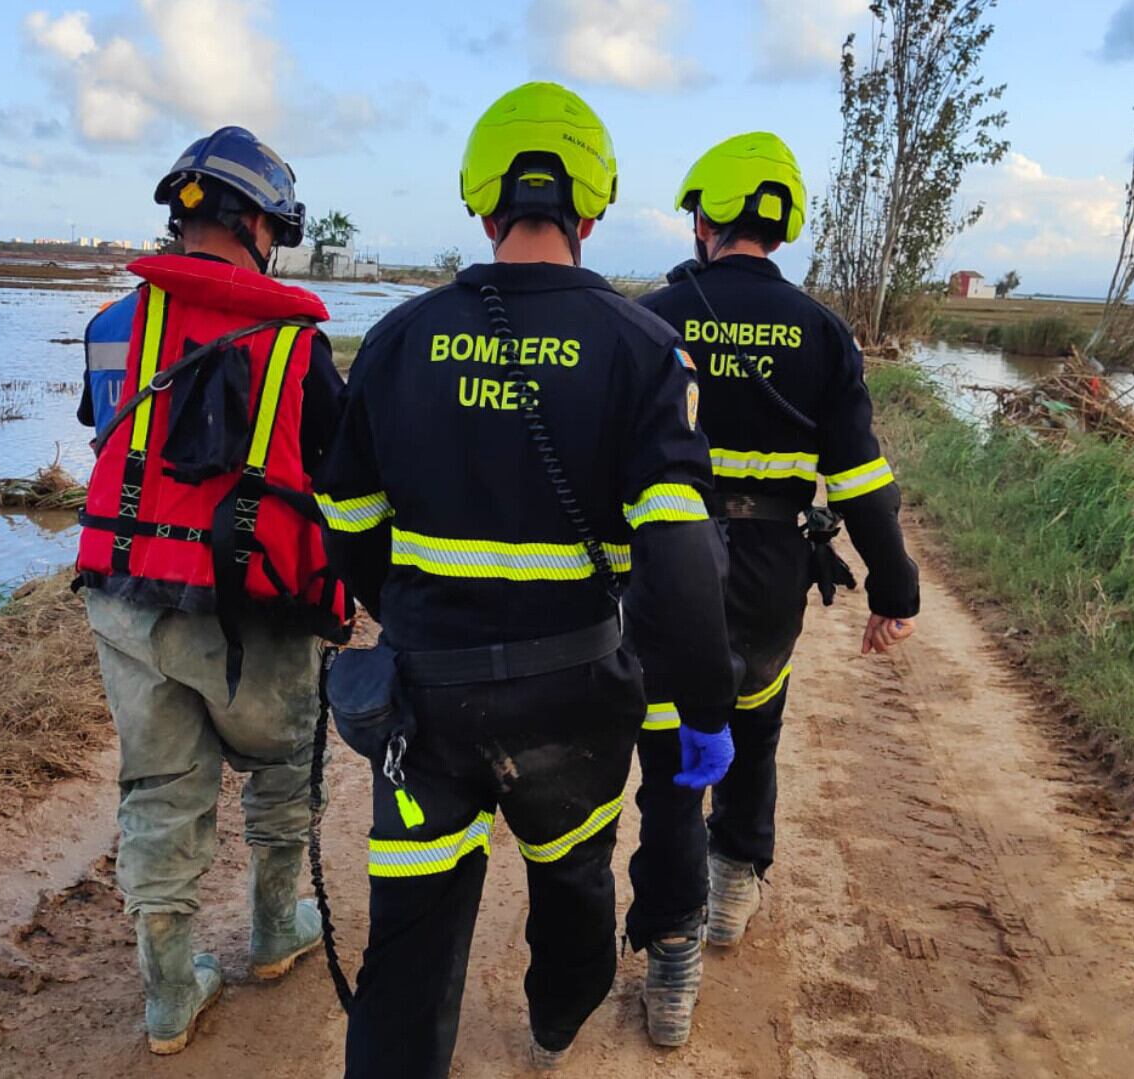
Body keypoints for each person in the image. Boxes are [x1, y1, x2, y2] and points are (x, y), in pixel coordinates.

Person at [315, 82, 737, 1076]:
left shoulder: (399, 339)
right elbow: (678, 555)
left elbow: (347, 524)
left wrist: (412, 614)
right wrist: (707, 703)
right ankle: (553, 1027)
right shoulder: (646, 349)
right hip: (577, 704)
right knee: (574, 885)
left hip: (426, 700)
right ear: (591, 207)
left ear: (482, 200)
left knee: (410, 930)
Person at [626, 131, 923, 1046]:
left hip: (662, 567)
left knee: (674, 747)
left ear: (704, 217)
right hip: (767, 572)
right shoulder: (823, 332)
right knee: (754, 718)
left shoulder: (651, 317)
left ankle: (672, 945)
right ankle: (736, 885)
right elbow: (862, 477)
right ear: (783, 223)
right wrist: (894, 585)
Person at [74, 126, 349, 1055]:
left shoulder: (111, 327)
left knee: (157, 783)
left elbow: (108, 435)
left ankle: (167, 994)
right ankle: (275, 930)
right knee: (282, 765)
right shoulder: (299, 349)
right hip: (250, 610)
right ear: (264, 226)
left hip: (122, 597)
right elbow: (337, 479)